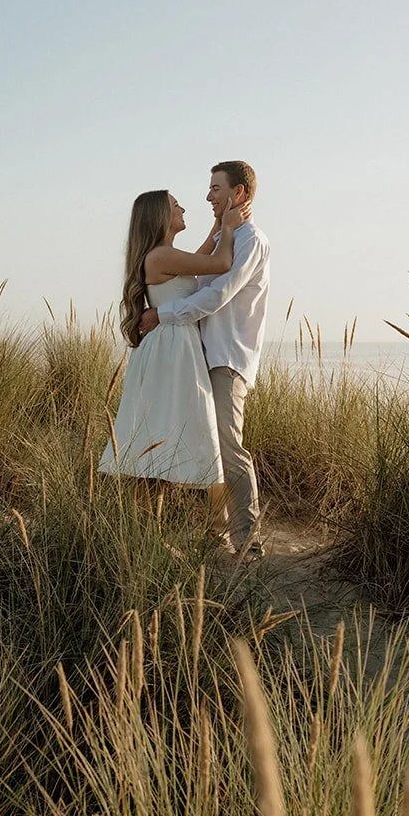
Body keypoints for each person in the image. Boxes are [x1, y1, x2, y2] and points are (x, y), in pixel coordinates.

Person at [138, 161, 270, 556]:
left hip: (227, 357)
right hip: (200, 357)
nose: (208, 196)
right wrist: (217, 232)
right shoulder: (222, 241)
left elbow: (217, 294)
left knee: (229, 448)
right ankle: (216, 537)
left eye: (215, 188)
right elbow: (190, 282)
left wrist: (161, 315)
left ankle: (249, 544)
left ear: (238, 194)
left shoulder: (250, 241)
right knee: (209, 449)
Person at [99, 189, 250, 489]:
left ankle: (164, 508)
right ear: (161, 217)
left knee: (165, 424)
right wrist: (230, 228)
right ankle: (192, 517)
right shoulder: (161, 256)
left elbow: (197, 257)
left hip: (172, 345)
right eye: (175, 205)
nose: (183, 209)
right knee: (175, 424)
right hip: (173, 348)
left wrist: (218, 225)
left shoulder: (164, 255)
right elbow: (220, 263)